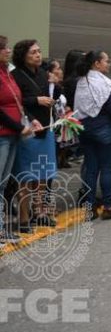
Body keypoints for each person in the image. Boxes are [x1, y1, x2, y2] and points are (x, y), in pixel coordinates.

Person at [11, 40, 58, 232]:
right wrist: (36, 100)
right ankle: (23, 217)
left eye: (39, 52)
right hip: (28, 129)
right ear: (23, 55)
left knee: (42, 174)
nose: (38, 55)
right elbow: (16, 101)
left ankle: (40, 212)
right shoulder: (15, 75)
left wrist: (55, 86)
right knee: (25, 175)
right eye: (33, 52)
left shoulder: (42, 74)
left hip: (46, 127)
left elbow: (52, 98)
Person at [74, 50, 111, 220]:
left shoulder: (81, 81)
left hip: (85, 129)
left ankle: (90, 209)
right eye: (106, 61)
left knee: (90, 169)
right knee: (106, 169)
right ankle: (109, 206)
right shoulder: (104, 82)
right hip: (104, 128)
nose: (108, 64)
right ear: (96, 63)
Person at [0, 36, 26, 244]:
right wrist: (18, 126)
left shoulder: (6, 73)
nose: (8, 50)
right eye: (4, 48)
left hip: (12, 134)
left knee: (3, 183)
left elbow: (17, 102)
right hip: (3, 134)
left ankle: (1, 228)